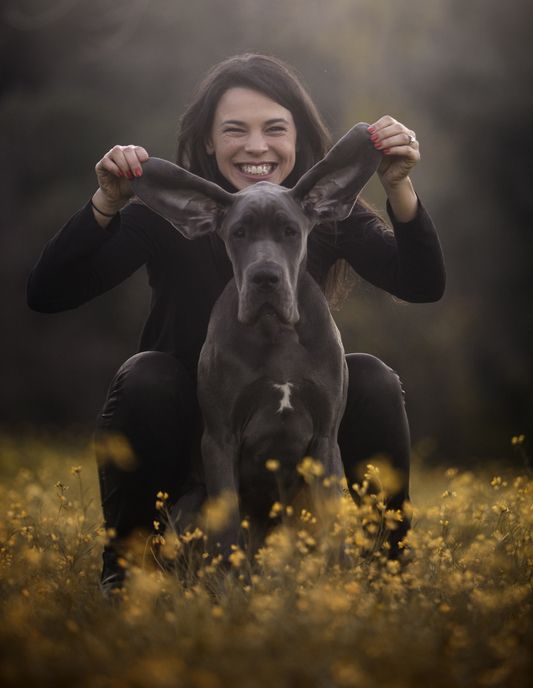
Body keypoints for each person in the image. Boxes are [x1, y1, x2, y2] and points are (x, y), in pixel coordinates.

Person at [27, 52, 445, 595]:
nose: (256, 146)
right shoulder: (178, 214)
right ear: (207, 141)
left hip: (292, 455)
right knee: (148, 376)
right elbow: (48, 293)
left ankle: (387, 568)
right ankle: (126, 568)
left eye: (275, 129)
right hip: (187, 445)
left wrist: (397, 185)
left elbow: (422, 284)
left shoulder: (314, 210)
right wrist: (108, 200)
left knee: (372, 378)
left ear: (298, 140)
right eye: (235, 130)